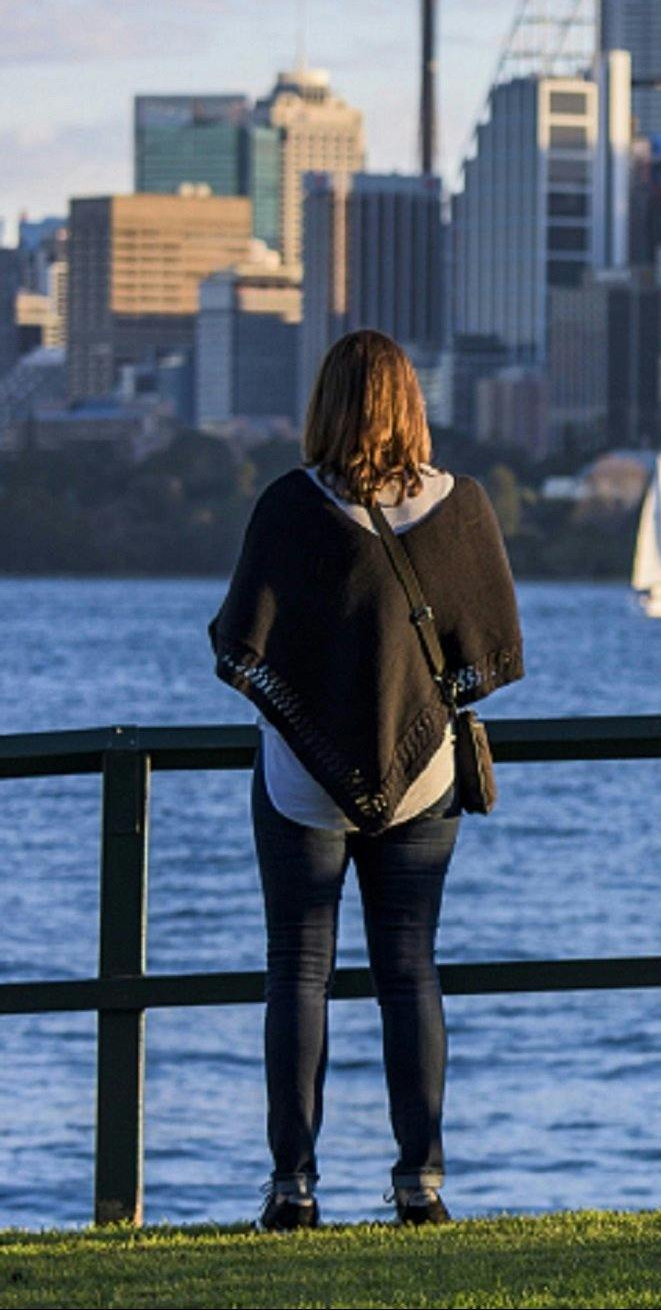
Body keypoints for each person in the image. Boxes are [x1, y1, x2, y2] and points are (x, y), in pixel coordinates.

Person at [208, 330, 524, 1231]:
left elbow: (244, 643)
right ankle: (419, 1183)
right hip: (425, 780)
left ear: (325, 406)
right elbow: (485, 645)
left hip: (301, 783)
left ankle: (292, 1186)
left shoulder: (286, 507)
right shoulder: (461, 504)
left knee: (296, 973)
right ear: (411, 405)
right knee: (409, 970)